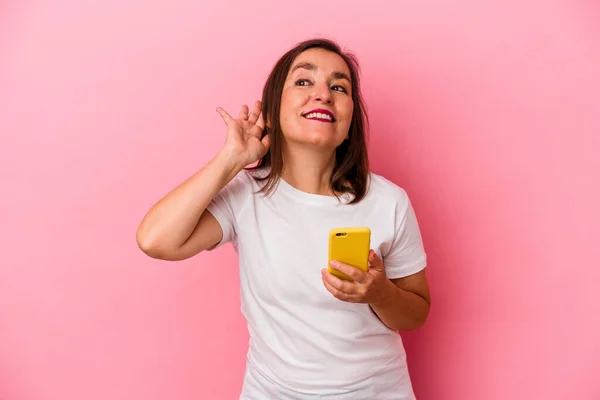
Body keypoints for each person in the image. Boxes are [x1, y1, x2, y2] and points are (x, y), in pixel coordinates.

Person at [136, 38, 431, 399]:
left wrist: (380, 293)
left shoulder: (388, 201)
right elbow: (155, 240)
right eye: (304, 81)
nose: (323, 94)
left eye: (338, 87)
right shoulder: (246, 194)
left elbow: (415, 314)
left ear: (349, 118)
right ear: (272, 111)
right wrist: (231, 159)